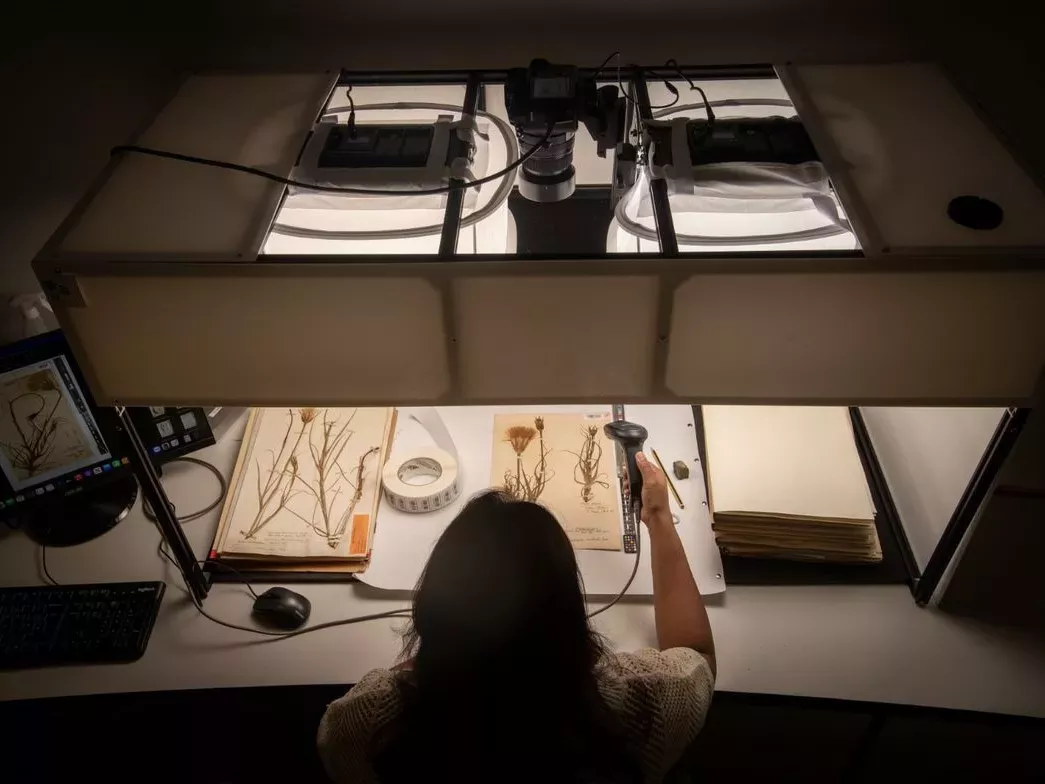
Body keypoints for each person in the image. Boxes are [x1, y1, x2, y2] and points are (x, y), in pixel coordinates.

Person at [318, 452, 716, 783]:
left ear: (431, 610)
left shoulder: (361, 727)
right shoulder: (649, 709)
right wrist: (659, 517)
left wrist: (441, 654)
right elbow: (696, 655)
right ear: (568, 619)